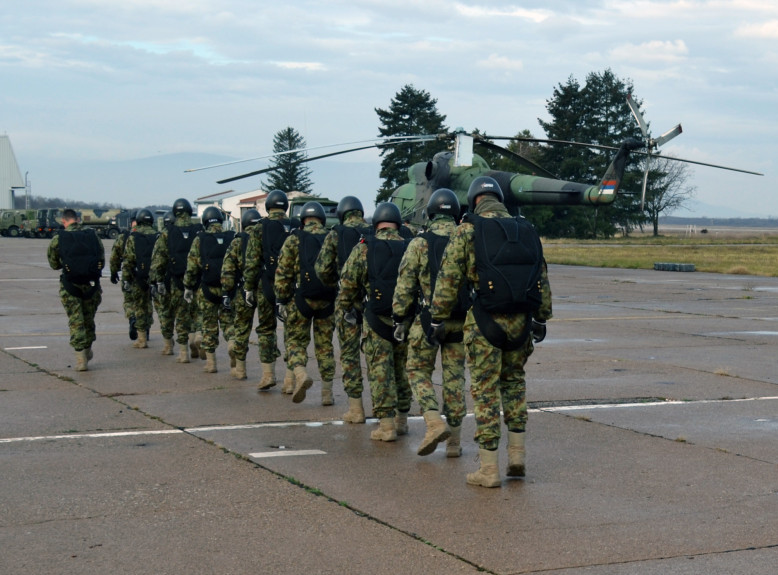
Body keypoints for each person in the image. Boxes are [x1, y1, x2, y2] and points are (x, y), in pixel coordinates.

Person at [429, 176, 552, 487]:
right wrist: (541, 318)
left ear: (474, 202)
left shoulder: (468, 229)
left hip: (486, 322)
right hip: (522, 323)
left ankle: (488, 469)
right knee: (514, 384)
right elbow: (541, 274)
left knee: (485, 391)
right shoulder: (526, 229)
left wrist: (437, 317)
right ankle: (517, 457)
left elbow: (448, 278)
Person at [392, 188, 467, 457]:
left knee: (417, 370)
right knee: (455, 379)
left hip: (427, 320)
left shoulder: (419, 243)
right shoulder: (468, 239)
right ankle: (455, 443)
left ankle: (434, 422)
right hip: (461, 321)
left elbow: (404, 286)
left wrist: (400, 318)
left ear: (430, 212)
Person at [335, 202, 412, 442]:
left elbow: (347, 284)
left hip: (376, 319)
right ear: (397, 222)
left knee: (381, 372)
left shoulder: (365, 247)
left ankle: (386, 425)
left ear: (376, 223)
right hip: (406, 320)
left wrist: (347, 308)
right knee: (402, 369)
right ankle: (402, 420)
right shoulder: (411, 246)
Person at [274, 201, 337, 405]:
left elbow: (283, 272)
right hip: (327, 300)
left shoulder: (294, 239)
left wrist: (282, 299)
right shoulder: (332, 237)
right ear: (322, 218)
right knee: (325, 347)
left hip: (301, 300)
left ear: (303, 219)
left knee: (295, 342)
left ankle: (299, 374)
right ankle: (327, 394)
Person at [314, 196, 370, 422]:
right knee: (379, 359)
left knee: (349, 355)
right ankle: (392, 415)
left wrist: (336, 284)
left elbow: (322, 268)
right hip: (373, 304)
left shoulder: (335, 234)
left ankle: (356, 409)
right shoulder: (374, 231)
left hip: (348, 302)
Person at [243, 190, 293, 391]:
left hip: (266, 286)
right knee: (291, 331)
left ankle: (268, 375)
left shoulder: (258, 228)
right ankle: (290, 379)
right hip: (290, 288)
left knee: (266, 329)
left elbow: (252, 261)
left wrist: (248, 287)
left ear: (268, 206)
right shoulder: (295, 226)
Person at [47, 208, 105, 371]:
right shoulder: (93, 236)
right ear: (78, 220)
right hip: (91, 285)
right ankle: (87, 350)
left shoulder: (59, 238)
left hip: (70, 285)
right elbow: (101, 259)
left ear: (64, 221)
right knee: (88, 319)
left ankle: (81, 359)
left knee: (76, 320)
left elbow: (54, 264)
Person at [149, 198, 203, 362]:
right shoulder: (199, 231)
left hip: (176, 280)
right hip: (198, 279)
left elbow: (158, 259)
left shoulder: (167, 232)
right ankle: (196, 337)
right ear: (189, 211)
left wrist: (157, 281)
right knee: (196, 312)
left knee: (181, 316)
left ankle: (183, 353)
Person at [183, 207, 235, 373]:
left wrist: (188, 287)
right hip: (228, 289)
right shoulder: (231, 236)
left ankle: (211, 364)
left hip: (208, 289)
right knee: (228, 322)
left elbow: (192, 267)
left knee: (209, 324)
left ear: (205, 221)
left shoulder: (200, 239)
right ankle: (233, 343)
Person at [220, 208, 262, 380]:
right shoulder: (264, 238)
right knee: (267, 330)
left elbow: (228, 269)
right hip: (266, 289)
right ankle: (269, 373)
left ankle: (241, 369)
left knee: (242, 328)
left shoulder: (237, 242)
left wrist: (227, 292)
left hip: (243, 290)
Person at [121, 209, 159, 349]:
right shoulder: (158, 235)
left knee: (139, 307)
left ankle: (142, 339)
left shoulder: (133, 236)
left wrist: (125, 279)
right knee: (157, 308)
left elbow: (128, 260)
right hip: (156, 277)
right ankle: (168, 340)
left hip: (138, 277)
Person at [108, 211, 137, 341]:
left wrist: (114, 272)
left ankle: (132, 318)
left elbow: (114, 257)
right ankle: (144, 331)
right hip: (146, 275)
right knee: (145, 303)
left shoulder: (123, 237)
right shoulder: (153, 235)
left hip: (128, 274)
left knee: (129, 301)